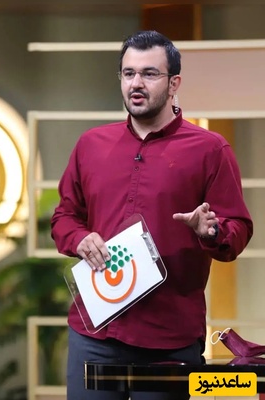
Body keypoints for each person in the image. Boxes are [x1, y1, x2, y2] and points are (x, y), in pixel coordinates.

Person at [51, 30, 253, 400]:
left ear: (174, 83)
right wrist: (80, 238)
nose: (136, 84)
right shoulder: (91, 144)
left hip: (168, 338)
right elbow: (64, 215)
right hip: (94, 332)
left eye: (149, 74)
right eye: (128, 74)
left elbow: (237, 228)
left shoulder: (210, 149)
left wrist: (210, 231)